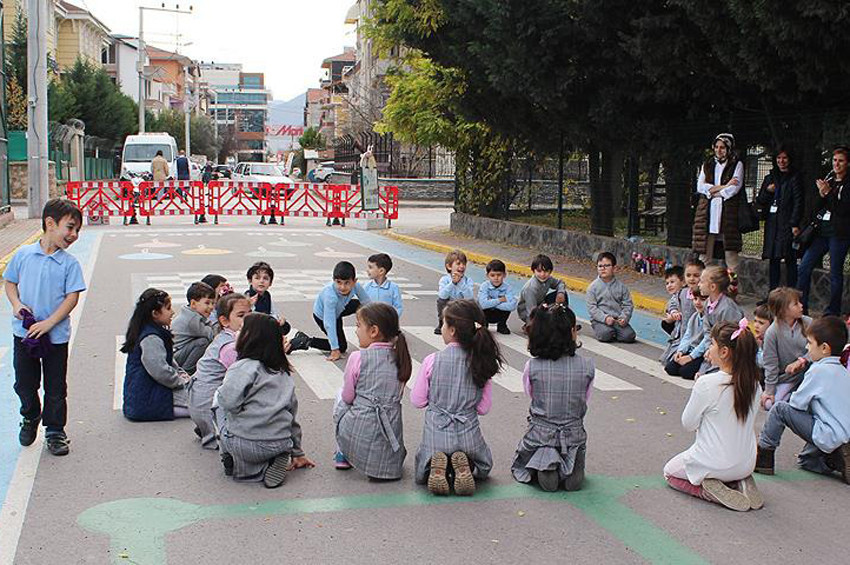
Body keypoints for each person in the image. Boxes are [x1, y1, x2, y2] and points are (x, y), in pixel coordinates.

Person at [5, 199, 85, 456]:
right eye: (70, 227)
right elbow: (10, 283)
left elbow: (72, 297)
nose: (73, 235)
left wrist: (51, 322)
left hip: (55, 337)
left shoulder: (69, 263)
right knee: (24, 383)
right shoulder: (23, 255)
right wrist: (17, 304)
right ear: (50, 223)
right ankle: (30, 416)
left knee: (55, 386)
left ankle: (55, 431)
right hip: (24, 334)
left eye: (77, 230)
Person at [663, 320, 763, 512]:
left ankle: (708, 492)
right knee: (731, 463)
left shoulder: (707, 384)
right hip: (747, 462)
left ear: (724, 352)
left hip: (713, 462)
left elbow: (688, 423)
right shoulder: (755, 385)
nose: (710, 348)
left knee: (670, 473)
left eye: (712, 344)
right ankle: (738, 481)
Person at [412, 300, 503, 496]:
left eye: (443, 323)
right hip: (468, 434)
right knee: (482, 465)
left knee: (426, 463)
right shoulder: (480, 361)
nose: (442, 328)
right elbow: (483, 408)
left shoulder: (432, 360)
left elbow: (417, 400)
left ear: (452, 330)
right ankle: (466, 465)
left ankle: (438, 466)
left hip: (436, 433)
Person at [217, 313, 315, 487]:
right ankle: (278, 457)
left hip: (243, 444)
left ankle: (235, 460)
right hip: (279, 442)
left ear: (250, 337)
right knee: (278, 418)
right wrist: (297, 452)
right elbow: (291, 416)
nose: (237, 333)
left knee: (217, 405)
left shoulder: (241, 367)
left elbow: (228, 402)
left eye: (241, 329)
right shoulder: (283, 372)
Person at [756, 316, 850, 483]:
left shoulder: (818, 370)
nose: (807, 347)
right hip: (843, 434)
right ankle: (837, 460)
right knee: (806, 461)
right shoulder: (844, 373)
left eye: (810, 343)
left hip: (827, 432)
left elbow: (796, 405)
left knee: (779, 409)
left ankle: (764, 456)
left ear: (824, 348)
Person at [511, 304, 593, 491]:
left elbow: (531, 394)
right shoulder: (587, 366)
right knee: (574, 447)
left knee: (535, 448)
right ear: (572, 332)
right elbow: (584, 398)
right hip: (574, 433)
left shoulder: (532, 366)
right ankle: (572, 467)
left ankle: (545, 464)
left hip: (541, 432)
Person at [334, 303, 412, 479]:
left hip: (361, 426)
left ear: (374, 331)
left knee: (339, 395)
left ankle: (343, 453)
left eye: (358, 325)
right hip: (390, 427)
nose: (356, 331)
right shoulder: (400, 357)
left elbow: (348, 397)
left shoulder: (358, 357)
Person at [188, 293, 251, 450]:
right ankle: (214, 430)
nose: (248, 319)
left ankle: (206, 426)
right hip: (208, 404)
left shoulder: (228, 338)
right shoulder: (230, 346)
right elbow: (246, 379)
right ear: (224, 321)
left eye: (251, 313)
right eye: (242, 315)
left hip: (199, 401)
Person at [121, 289, 190, 422]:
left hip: (145, 394)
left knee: (198, 397)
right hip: (147, 397)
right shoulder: (151, 337)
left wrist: (181, 374)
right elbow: (160, 371)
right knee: (200, 403)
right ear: (155, 313)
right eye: (168, 308)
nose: (172, 312)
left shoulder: (150, 331)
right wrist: (180, 382)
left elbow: (167, 362)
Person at [797, 146, 850, 316]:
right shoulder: (830, 179)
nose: (837, 164)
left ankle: (832, 311)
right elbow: (817, 207)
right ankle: (801, 306)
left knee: (835, 272)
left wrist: (829, 194)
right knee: (804, 266)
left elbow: (842, 210)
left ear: (848, 163)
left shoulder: (847, 184)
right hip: (821, 233)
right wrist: (821, 194)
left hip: (839, 233)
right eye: (835, 160)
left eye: (841, 161)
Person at [692, 133, 745, 272]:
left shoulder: (737, 165)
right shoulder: (707, 164)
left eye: (722, 147)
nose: (719, 150)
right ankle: (705, 289)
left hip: (727, 215)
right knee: (704, 257)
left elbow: (734, 189)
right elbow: (700, 187)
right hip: (707, 215)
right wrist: (724, 185)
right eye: (716, 147)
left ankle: (732, 289)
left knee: (731, 258)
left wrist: (714, 191)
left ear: (728, 149)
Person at [756, 147, 803, 290]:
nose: (781, 161)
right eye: (779, 158)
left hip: (787, 223)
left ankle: (791, 293)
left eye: (784, 158)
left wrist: (794, 223)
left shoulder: (794, 177)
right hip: (772, 223)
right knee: (773, 258)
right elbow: (761, 199)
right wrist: (767, 191)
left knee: (790, 258)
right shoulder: (770, 177)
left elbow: (798, 201)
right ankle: (773, 293)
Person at [307, 261, 371, 361]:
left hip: (340, 308)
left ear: (354, 281)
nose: (342, 287)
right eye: (339, 282)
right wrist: (335, 349)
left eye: (347, 283)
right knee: (341, 346)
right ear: (333, 280)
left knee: (363, 306)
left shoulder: (356, 286)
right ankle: (306, 341)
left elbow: (368, 303)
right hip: (323, 315)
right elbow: (329, 323)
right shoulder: (330, 296)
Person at [761, 287, 811, 411]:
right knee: (769, 405)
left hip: (809, 373)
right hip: (788, 378)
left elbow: (818, 350)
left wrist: (802, 360)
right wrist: (769, 391)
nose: (801, 305)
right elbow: (770, 364)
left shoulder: (808, 323)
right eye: (796, 304)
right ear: (783, 310)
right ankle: (791, 397)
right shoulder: (772, 333)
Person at [693, 266, 745, 374]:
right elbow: (707, 330)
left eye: (702, 282)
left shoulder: (727, 308)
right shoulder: (707, 303)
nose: (699, 285)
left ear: (712, 287)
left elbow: (730, 339)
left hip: (728, 354)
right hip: (715, 349)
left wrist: (714, 352)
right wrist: (709, 349)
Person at [586, 252, 636, 343]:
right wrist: (605, 318)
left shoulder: (621, 287)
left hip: (617, 320)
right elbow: (592, 308)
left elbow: (628, 304)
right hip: (600, 320)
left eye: (607, 265)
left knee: (629, 336)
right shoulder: (592, 287)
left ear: (614, 268)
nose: (603, 269)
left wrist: (624, 317)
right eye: (600, 266)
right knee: (605, 335)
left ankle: (615, 332)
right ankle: (606, 331)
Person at [171, 282, 217, 375]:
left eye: (213, 303)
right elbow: (211, 335)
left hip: (178, 352)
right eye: (207, 303)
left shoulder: (191, 314)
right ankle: (187, 372)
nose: (211, 307)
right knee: (203, 342)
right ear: (193, 303)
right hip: (175, 357)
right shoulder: (191, 320)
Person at [664, 290, 708, 380]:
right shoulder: (694, 316)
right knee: (670, 368)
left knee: (685, 372)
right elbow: (687, 336)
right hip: (690, 350)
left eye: (702, 299)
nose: (698, 302)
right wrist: (680, 351)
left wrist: (691, 357)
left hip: (701, 353)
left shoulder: (709, 318)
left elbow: (707, 340)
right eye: (695, 299)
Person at [517, 254, 567, 326]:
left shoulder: (548, 279)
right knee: (546, 325)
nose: (543, 274)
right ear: (533, 271)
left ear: (550, 271)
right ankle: (529, 326)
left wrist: (561, 293)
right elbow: (531, 311)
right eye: (539, 271)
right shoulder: (530, 288)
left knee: (563, 294)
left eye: (546, 271)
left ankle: (564, 321)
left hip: (541, 305)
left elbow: (560, 283)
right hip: (528, 311)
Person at [434, 249, 474, 334]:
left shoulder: (468, 281)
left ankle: (468, 324)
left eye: (464, 264)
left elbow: (469, 297)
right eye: (458, 263)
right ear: (449, 266)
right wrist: (452, 283)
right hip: (449, 304)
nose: (462, 266)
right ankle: (442, 322)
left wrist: (460, 283)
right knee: (440, 301)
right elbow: (442, 295)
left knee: (473, 303)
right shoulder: (444, 280)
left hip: (461, 305)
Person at [477, 259, 517, 335]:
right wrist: (500, 300)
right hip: (486, 313)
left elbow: (512, 306)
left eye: (499, 275)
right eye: (492, 275)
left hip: (499, 314)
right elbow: (483, 304)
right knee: (479, 306)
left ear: (504, 275)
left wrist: (491, 302)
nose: (496, 278)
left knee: (506, 309)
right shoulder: (484, 286)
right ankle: (484, 325)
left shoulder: (508, 288)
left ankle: (501, 326)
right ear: (487, 275)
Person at [363, 253, 403, 317]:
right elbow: (362, 305)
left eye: (370, 267)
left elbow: (398, 307)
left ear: (381, 271)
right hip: (370, 323)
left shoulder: (393, 288)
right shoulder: (366, 287)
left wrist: (392, 320)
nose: (367, 270)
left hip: (387, 324)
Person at [660, 265, 685, 365]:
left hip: (686, 327)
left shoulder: (685, 294)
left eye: (672, 282)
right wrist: (673, 313)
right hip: (678, 325)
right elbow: (671, 306)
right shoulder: (674, 297)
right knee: (665, 323)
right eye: (667, 283)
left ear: (683, 282)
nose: (669, 285)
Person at [752, 303, 773, 379]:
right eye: (755, 321)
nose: (756, 325)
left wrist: (759, 347)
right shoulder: (756, 338)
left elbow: (764, 363)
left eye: (761, 323)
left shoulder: (773, 342)